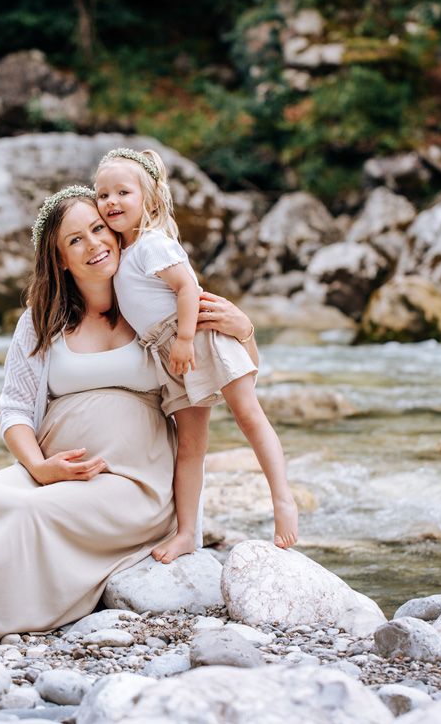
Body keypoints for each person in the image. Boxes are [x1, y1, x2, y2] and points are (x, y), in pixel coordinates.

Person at [0, 185, 258, 639]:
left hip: (133, 482)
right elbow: (13, 409)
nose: (93, 244)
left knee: (35, 515)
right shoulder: (42, 316)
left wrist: (244, 331)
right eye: (75, 240)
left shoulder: (162, 308)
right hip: (55, 467)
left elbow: (225, 380)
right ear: (60, 260)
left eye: (98, 228)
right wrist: (39, 467)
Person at [95, 148, 298, 564]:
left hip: (198, 339)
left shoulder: (153, 244)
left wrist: (186, 338)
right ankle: (188, 532)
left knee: (249, 416)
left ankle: (283, 501)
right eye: (102, 195)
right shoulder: (124, 252)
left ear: (149, 199)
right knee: (190, 447)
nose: (111, 202)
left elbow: (188, 288)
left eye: (122, 193)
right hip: (169, 353)